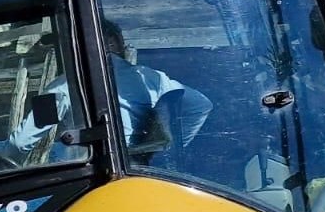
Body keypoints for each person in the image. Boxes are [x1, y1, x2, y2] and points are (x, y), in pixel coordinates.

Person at [11, 21, 212, 158]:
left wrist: (5, 163)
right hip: (141, 170)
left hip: (89, 176)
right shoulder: (151, 77)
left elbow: (21, 142)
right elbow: (201, 105)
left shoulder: (60, 87)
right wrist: (169, 151)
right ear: (116, 43)